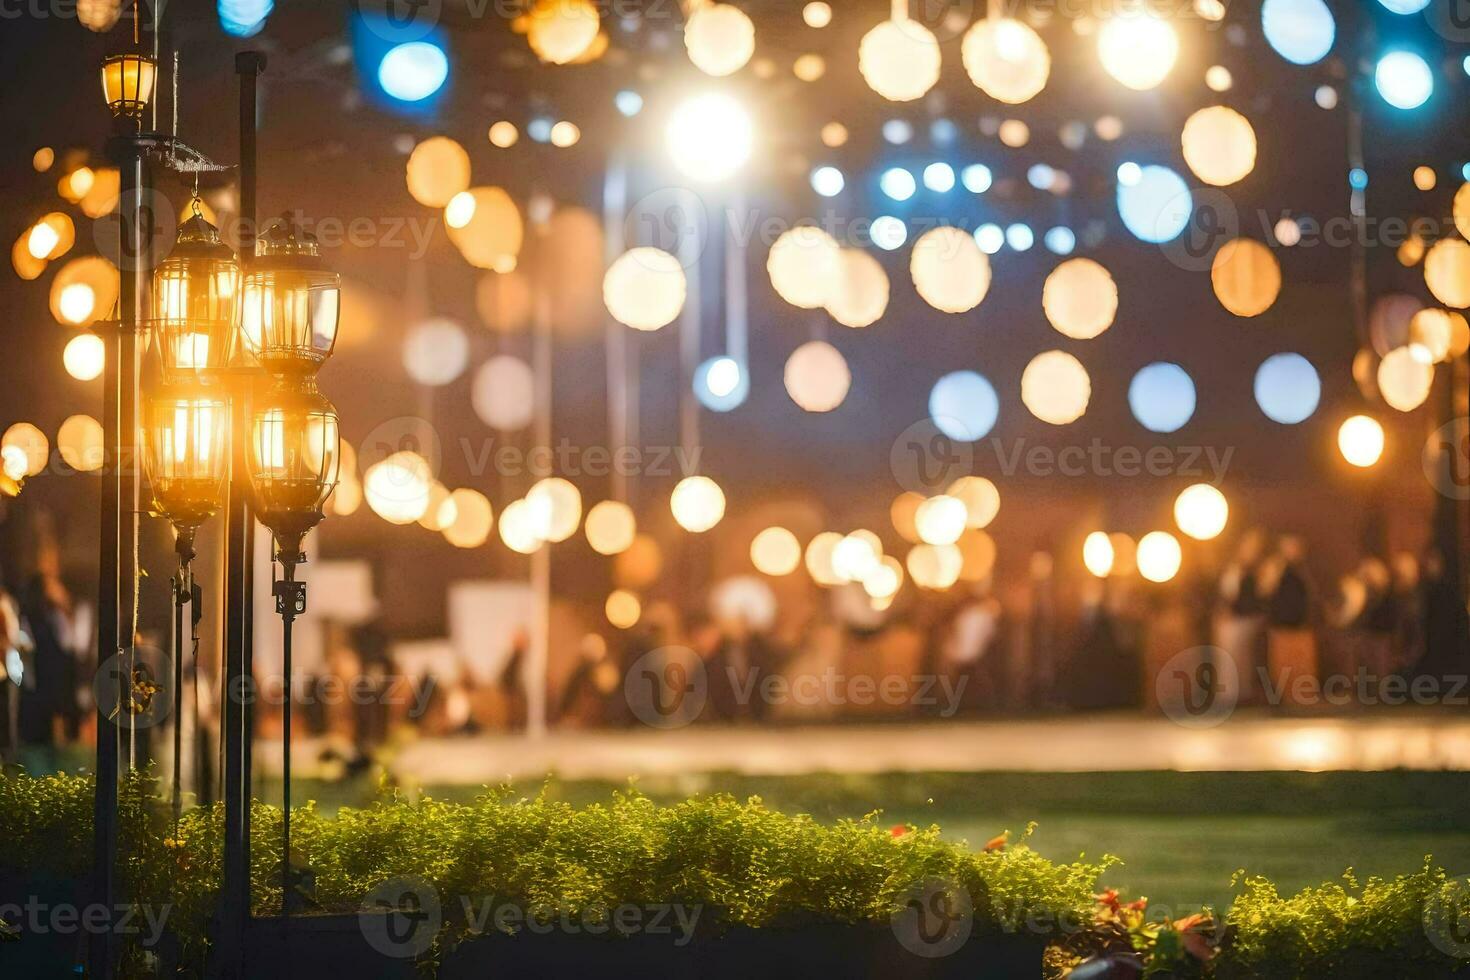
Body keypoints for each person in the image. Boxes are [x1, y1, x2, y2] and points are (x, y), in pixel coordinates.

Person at [1265, 536, 1317, 710]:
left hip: (1299, 626)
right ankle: (1284, 700)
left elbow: (1309, 596)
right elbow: (1267, 589)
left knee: (1300, 665)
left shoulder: (1303, 571)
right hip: (1281, 626)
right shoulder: (1275, 567)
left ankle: (1302, 698)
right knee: (1282, 668)